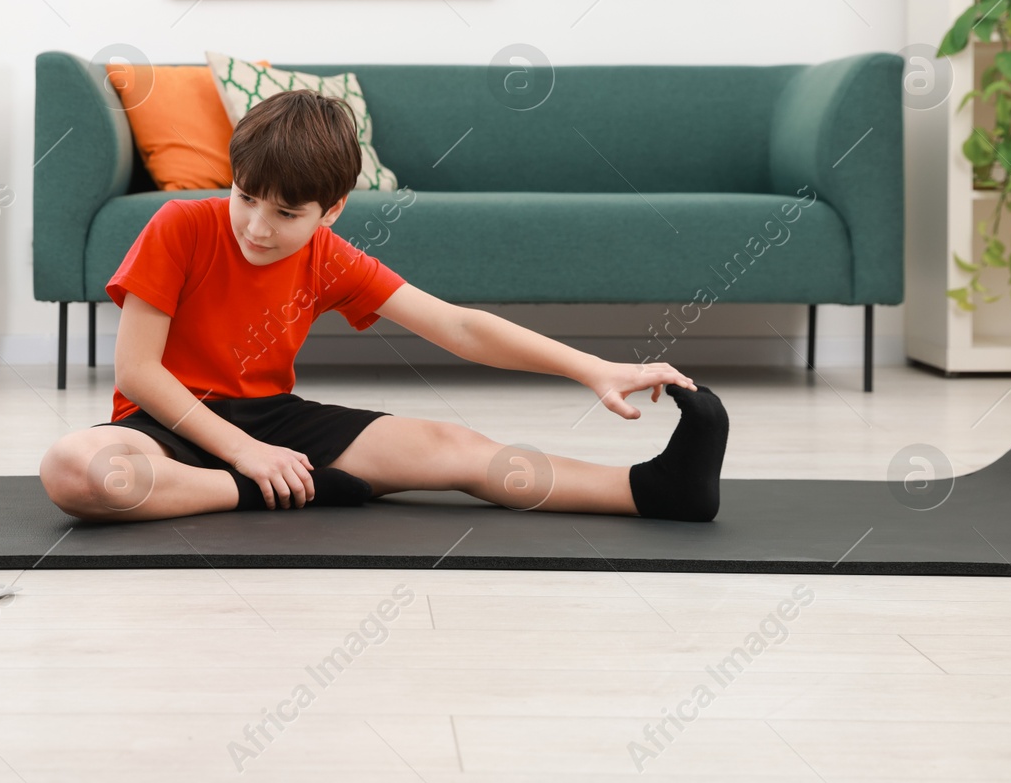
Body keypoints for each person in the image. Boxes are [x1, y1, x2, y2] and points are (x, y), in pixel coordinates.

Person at [39, 89, 728, 523]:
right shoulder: (179, 227)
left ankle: (650, 490)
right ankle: (262, 490)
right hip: (167, 421)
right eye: (245, 196)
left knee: (455, 447)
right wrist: (248, 458)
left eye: (285, 212)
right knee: (75, 469)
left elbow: (458, 326)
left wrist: (594, 368)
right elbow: (137, 374)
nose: (255, 225)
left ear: (331, 211)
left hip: (271, 420)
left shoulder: (328, 257)